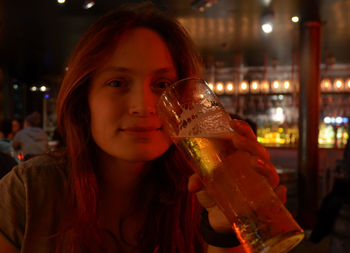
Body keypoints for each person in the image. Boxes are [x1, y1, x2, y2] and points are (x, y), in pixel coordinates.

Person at [0, 4, 286, 253]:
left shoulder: (202, 193)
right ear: (83, 101)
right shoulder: (29, 192)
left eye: (162, 85)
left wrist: (225, 228)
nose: (144, 106)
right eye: (118, 83)